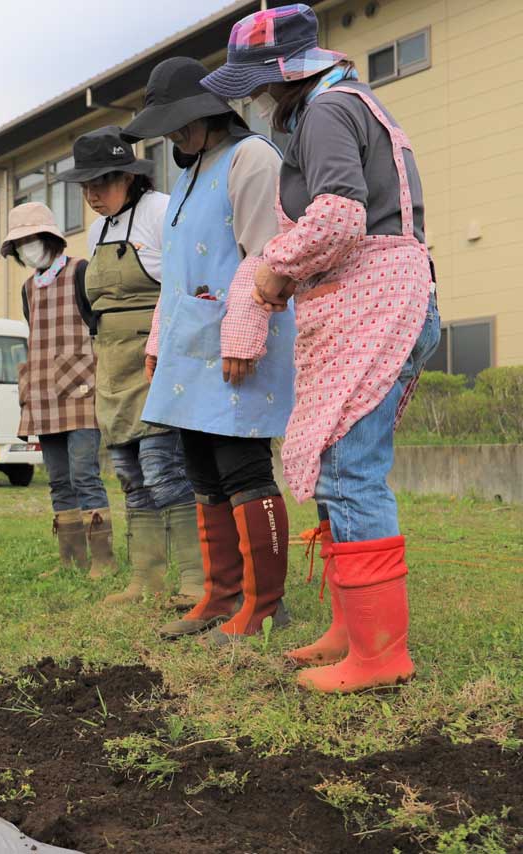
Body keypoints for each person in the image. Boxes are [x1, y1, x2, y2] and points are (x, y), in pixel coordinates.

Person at [202, 3, 441, 692]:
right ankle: (349, 629)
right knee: (341, 461)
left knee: (352, 470)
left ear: (286, 70)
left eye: (259, 80)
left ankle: (379, 653)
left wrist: (277, 267)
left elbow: (338, 214)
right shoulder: (353, 101)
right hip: (384, 298)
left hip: (377, 302)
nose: (256, 95)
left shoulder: (329, 110)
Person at [120, 56, 296, 643]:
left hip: (238, 341)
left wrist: (245, 333)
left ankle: (264, 604)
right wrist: (157, 342)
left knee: (240, 463)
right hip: (189, 346)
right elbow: (176, 273)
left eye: (179, 121)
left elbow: (267, 256)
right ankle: (220, 597)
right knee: (200, 465)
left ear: (211, 109)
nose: (173, 134)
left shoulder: (252, 158)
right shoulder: (190, 174)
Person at [58, 127, 203, 606]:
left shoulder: (161, 211)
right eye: (86, 187)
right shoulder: (97, 231)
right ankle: (146, 577)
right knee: (127, 471)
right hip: (113, 365)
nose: (93, 195)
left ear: (128, 175)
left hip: (156, 360)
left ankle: (194, 578)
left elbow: (187, 283)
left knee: (164, 467)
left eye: (102, 182)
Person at [3, 202, 114, 577]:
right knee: (57, 478)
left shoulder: (81, 272)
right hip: (43, 396)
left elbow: (100, 327)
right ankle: (71, 560)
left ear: (50, 238)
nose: (26, 248)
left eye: (31, 239)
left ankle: (102, 559)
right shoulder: (27, 288)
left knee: (85, 474)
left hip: (82, 391)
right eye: (19, 243)